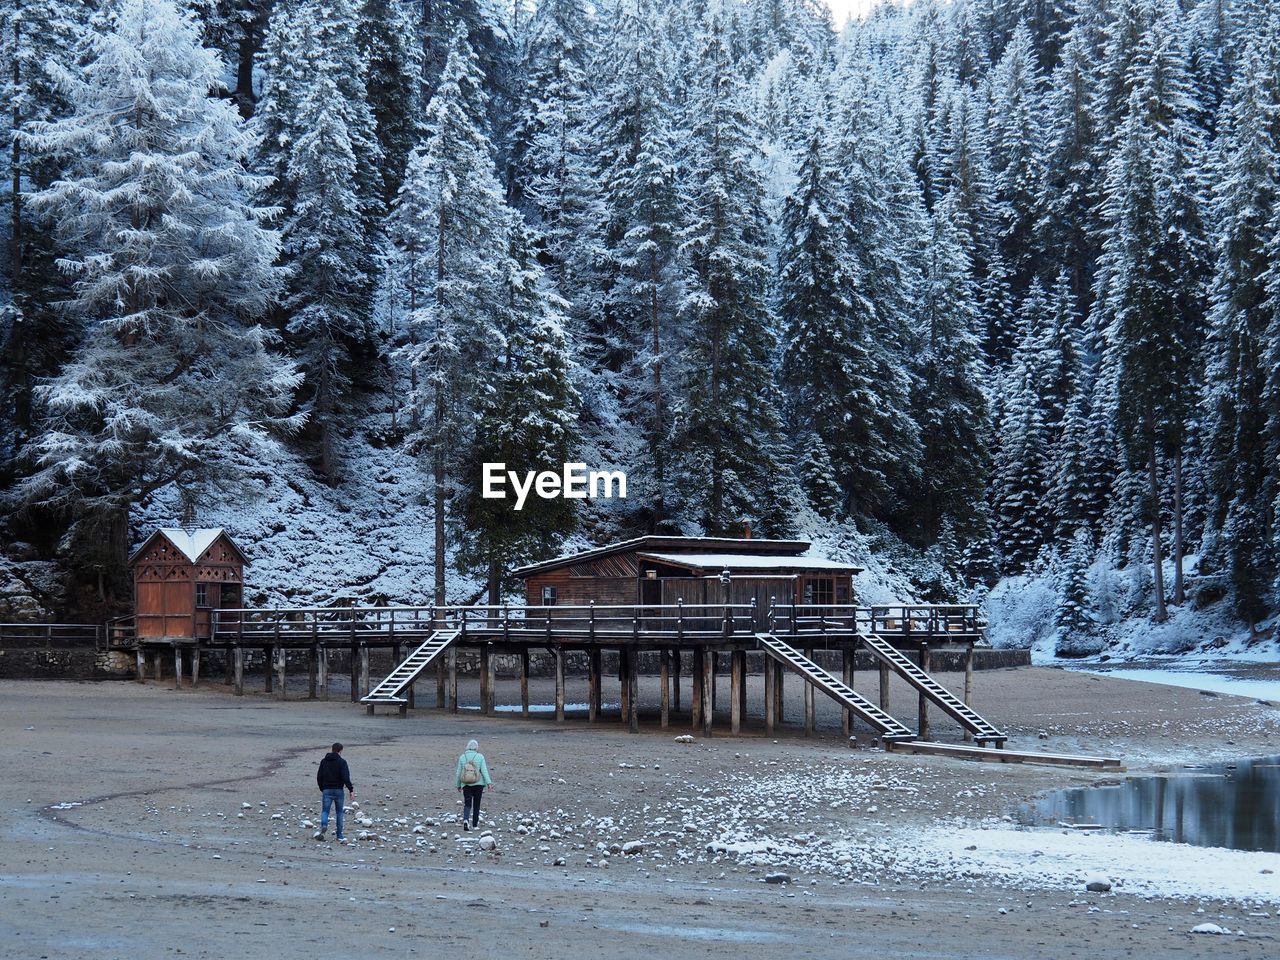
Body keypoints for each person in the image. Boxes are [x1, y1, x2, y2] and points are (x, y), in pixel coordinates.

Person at [314, 742, 355, 841]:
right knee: (339, 812)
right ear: (340, 751)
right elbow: (345, 777)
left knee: (325, 811)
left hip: (327, 790)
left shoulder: (324, 761)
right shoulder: (342, 762)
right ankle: (339, 835)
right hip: (338, 791)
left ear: (332, 749)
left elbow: (319, 776)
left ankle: (324, 825)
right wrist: (351, 790)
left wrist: (322, 788)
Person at [454, 739, 492, 831]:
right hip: (479, 784)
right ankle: (475, 825)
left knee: (467, 803)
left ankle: (466, 820)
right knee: (477, 804)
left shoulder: (462, 757)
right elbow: (484, 771)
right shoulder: (480, 756)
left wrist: (458, 785)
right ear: (476, 747)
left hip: (466, 784)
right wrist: (489, 783)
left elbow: (458, 773)